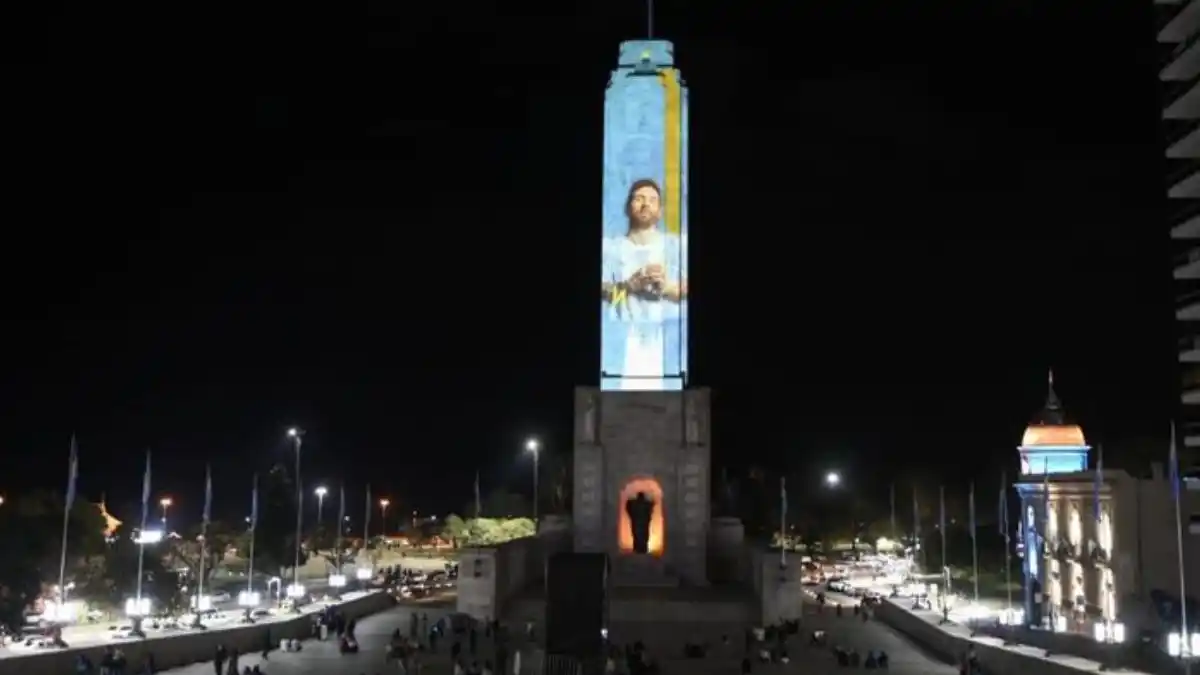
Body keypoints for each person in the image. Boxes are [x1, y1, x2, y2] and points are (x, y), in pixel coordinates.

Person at [600, 178, 688, 391]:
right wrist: (630, 286)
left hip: (666, 348)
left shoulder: (678, 246)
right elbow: (608, 295)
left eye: (652, 200)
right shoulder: (610, 249)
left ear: (660, 210)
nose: (645, 204)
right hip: (623, 348)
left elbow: (684, 292)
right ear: (628, 207)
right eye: (639, 199)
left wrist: (666, 288)